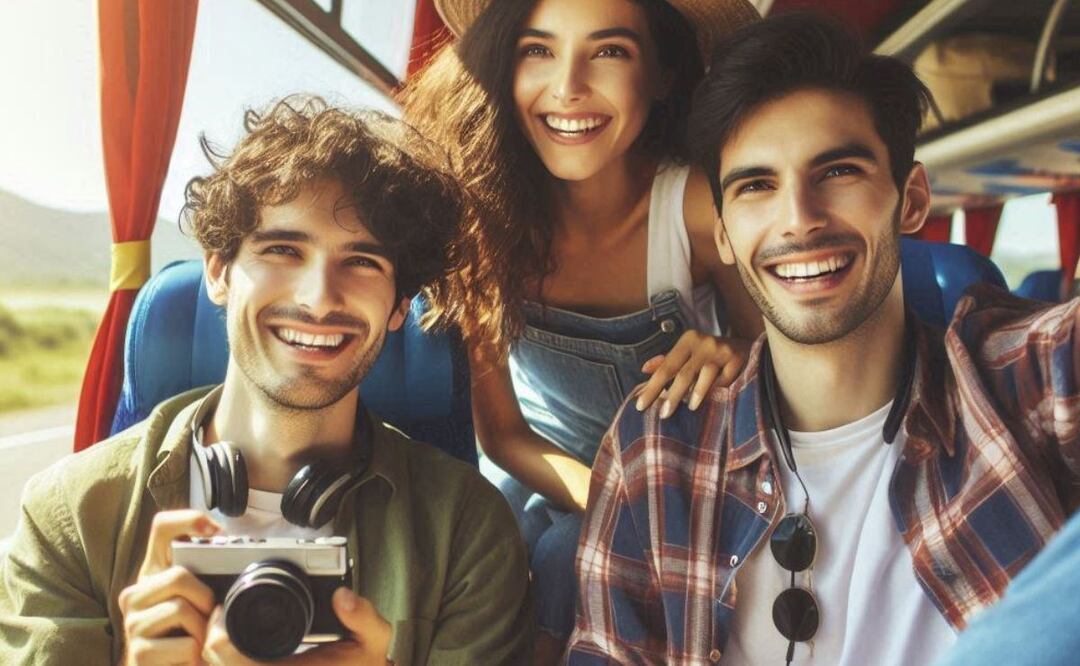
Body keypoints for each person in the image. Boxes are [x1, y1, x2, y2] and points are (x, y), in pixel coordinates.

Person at [568, 13, 1079, 665]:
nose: (800, 220)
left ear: (912, 199)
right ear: (723, 235)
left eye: (837, 172)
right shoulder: (658, 452)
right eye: (757, 186)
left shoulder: (1027, 380)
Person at [0, 98, 532, 665]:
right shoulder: (71, 517)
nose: (318, 298)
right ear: (218, 271)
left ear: (399, 306)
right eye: (283, 249)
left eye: (362, 262)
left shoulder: (469, 534)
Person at [403, 1, 764, 659]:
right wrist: (612, 502)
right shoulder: (480, 222)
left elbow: (779, 360)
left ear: (661, 73)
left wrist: (738, 352)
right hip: (540, 469)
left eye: (609, 51)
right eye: (537, 50)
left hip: (680, 478)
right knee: (488, 557)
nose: (568, 85)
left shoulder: (691, 209)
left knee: (571, 556)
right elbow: (504, 435)